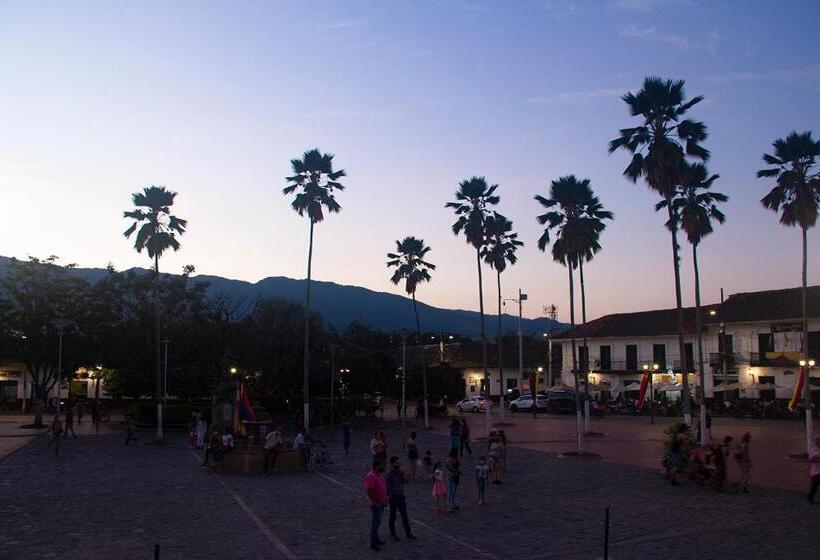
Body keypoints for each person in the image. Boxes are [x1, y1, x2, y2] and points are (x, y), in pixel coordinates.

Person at [386, 456, 417, 541]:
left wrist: (407, 475)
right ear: (392, 464)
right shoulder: (389, 474)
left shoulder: (400, 472)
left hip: (401, 496)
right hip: (393, 497)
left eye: (399, 462)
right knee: (393, 516)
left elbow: (405, 481)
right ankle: (393, 533)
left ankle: (408, 533)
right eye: (397, 462)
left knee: (405, 515)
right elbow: (388, 487)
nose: (398, 464)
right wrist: (389, 497)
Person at [364, 458, 388, 551]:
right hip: (376, 504)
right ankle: (373, 543)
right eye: (382, 465)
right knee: (375, 523)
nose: (384, 467)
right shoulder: (371, 476)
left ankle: (376, 539)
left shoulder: (379, 475)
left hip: (381, 502)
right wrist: (375, 502)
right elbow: (369, 491)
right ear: (377, 466)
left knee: (377, 522)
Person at [807, 437, 820, 504]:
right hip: (816, 472)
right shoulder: (813, 450)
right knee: (814, 486)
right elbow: (811, 460)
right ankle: (810, 497)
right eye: (818, 442)